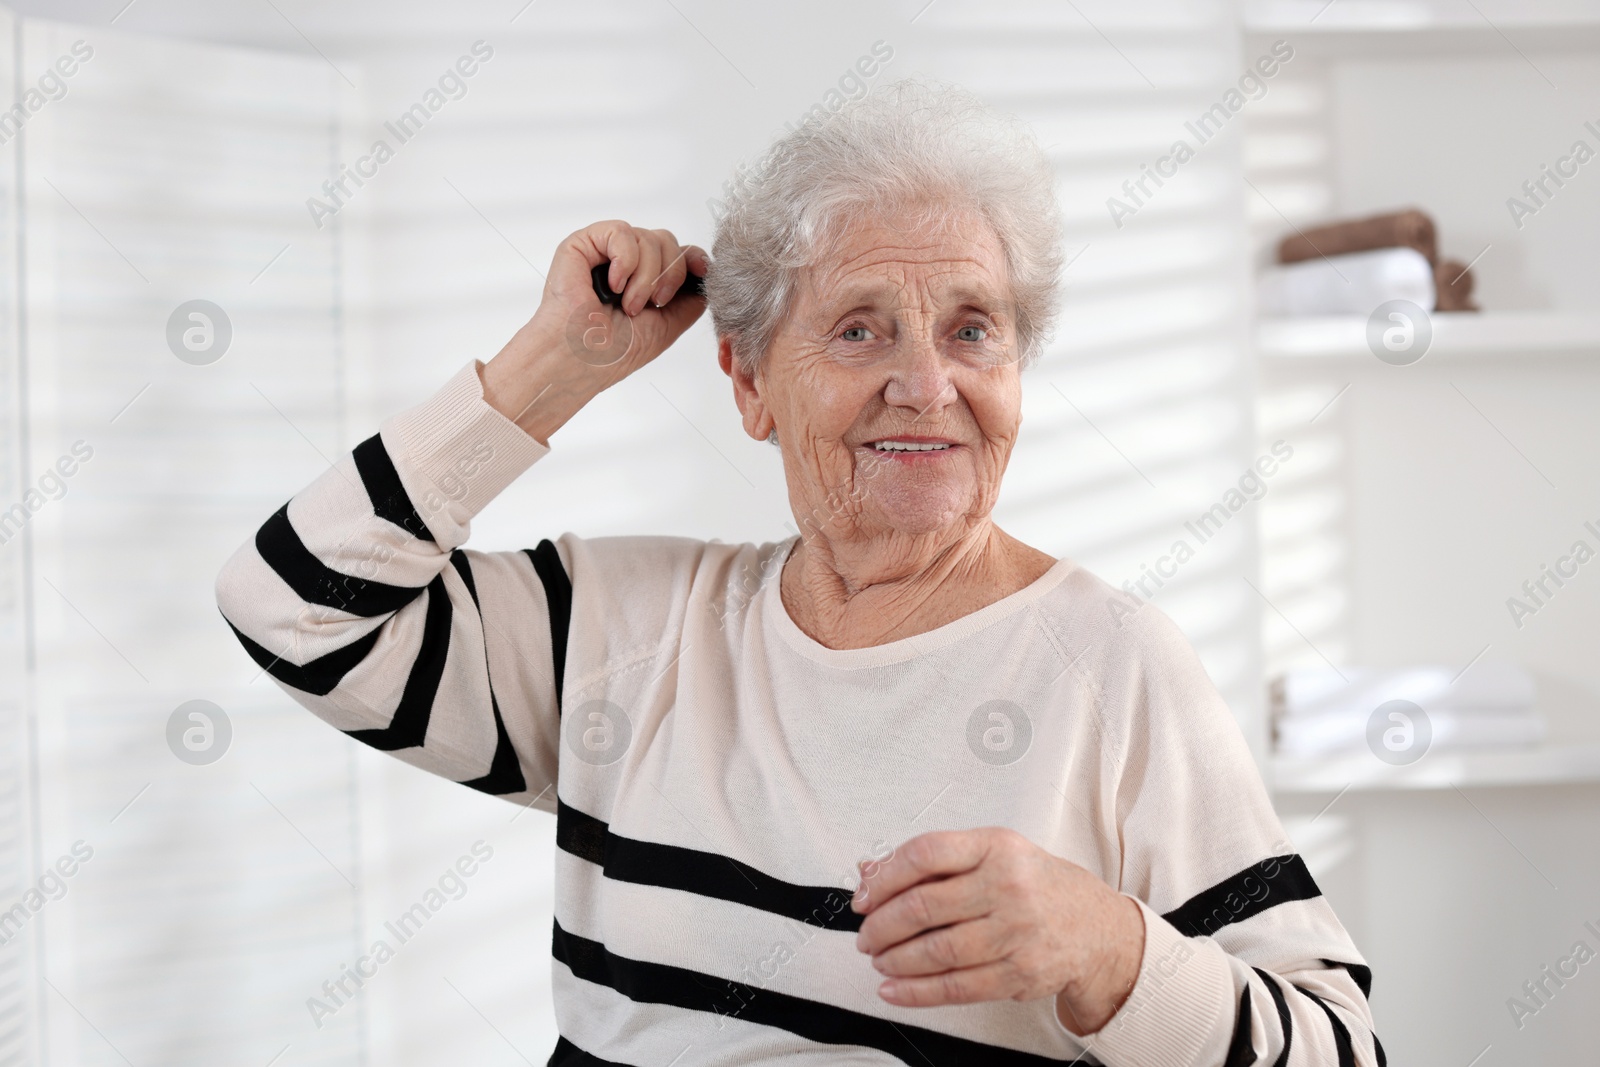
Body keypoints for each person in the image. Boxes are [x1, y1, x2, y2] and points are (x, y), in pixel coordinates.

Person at [216, 79, 1381, 1065]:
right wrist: (550, 371)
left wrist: (1112, 954)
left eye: (973, 328)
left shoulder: (1113, 668)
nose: (927, 385)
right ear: (750, 383)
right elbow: (292, 607)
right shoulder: (623, 627)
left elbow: (1340, 1045)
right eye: (861, 328)